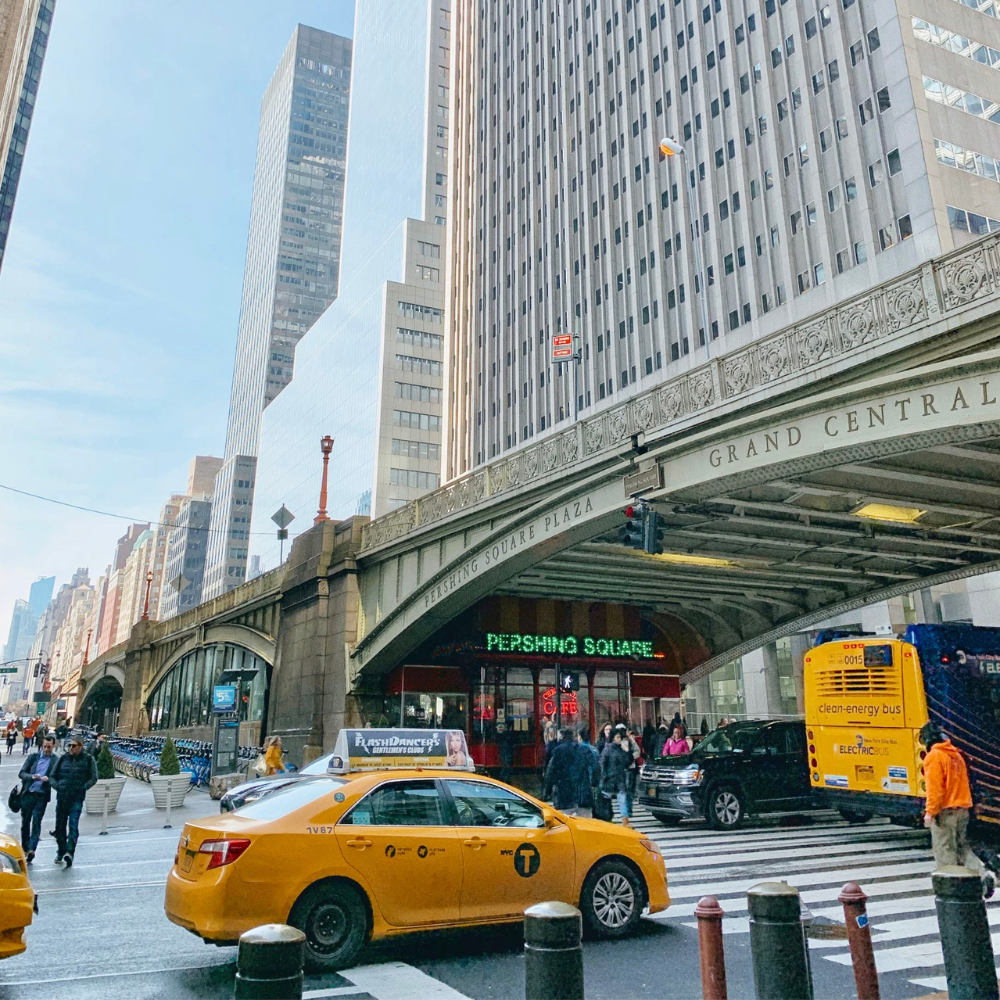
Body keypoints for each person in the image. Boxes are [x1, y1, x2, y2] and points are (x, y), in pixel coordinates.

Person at [921, 722, 995, 898]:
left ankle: (952, 891)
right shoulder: (956, 755)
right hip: (963, 808)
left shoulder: (934, 757)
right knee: (962, 847)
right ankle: (983, 875)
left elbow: (935, 790)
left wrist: (930, 813)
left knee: (944, 851)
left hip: (945, 811)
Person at [49, 734, 97, 867]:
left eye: (74, 745)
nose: (71, 748)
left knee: (73, 825)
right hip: (62, 797)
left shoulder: (88, 759)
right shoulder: (63, 758)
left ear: (80, 746)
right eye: (69, 745)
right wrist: (57, 786)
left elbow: (94, 777)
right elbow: (52, 775)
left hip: (76, 797)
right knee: (60, 826)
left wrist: (83, 787)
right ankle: (61, 850)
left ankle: (69, 852)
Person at [18, 735, 57, 864]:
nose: (46, 750)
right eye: (44, 747)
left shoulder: (55, 761)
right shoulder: (33, 757)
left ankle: (31, 849)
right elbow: (22, 773)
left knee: (36, 821)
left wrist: (49, 779)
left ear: (53, 746)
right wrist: (32, 777)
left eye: (49, 747)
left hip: (42, 795)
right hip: (29, 793)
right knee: (25, 822)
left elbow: (57, 777)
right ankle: (25, 848)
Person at [544, 728, 590, 816]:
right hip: (581, 792)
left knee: (564, 818)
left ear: (562, 737)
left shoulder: (558, 750)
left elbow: (551, 772)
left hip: (563, 791)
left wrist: (547, 791)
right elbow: (593, 767)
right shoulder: (583, 749)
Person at [599, 728, 633, 827]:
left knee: (622, 800)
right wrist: (603, 776)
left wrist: (627, 751)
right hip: (609, 779)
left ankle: (625, 821)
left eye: (620, 737)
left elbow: (628, 763)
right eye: (617, 737)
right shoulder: (608, 749)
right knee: (606, 801)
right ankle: (607, 819)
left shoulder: (621, 749)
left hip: (619, 778)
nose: (619, 739)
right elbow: (602, 763)